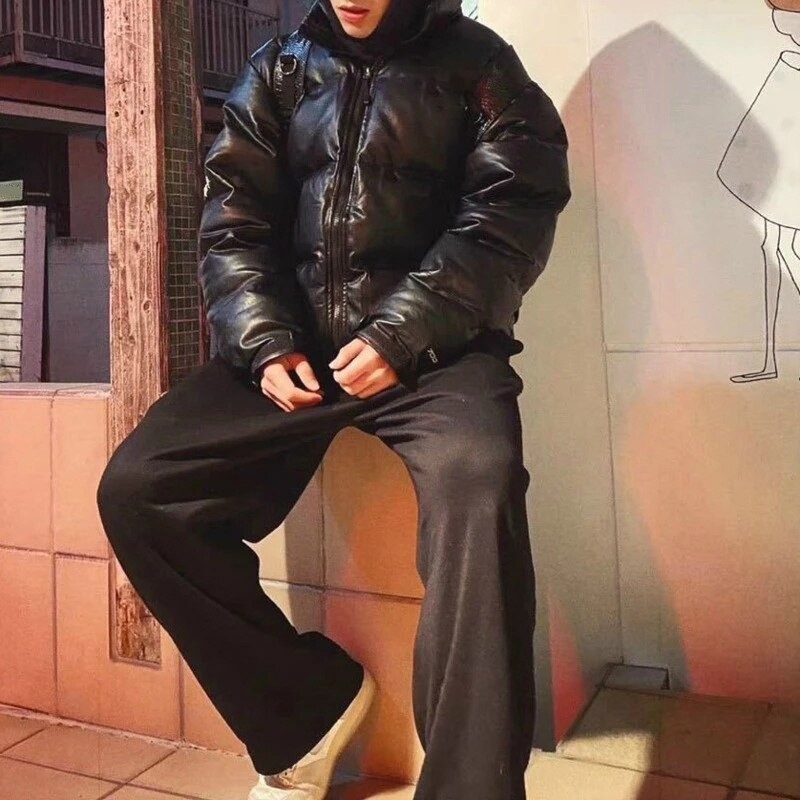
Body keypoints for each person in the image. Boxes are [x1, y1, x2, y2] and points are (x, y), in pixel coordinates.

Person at [96, 0, 571, 798]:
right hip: (299, 346)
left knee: (479, 479)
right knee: (140, 490)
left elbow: (510, 217)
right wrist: (264, 338)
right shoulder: (278, 68)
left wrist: (402, 332)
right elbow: (233, 218)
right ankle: (304, 715)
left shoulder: (482, 66)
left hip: (439, 352)